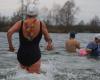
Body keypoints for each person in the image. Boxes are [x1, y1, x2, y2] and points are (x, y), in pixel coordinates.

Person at [7, 3, 53, 74]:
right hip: (34, 55)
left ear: (27, 13)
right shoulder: (41, 24)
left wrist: (11, 46)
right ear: (36, 13)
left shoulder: (20, 23)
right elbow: (48, 38)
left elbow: (9, 32)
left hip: (22, 55)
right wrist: (49, 43)